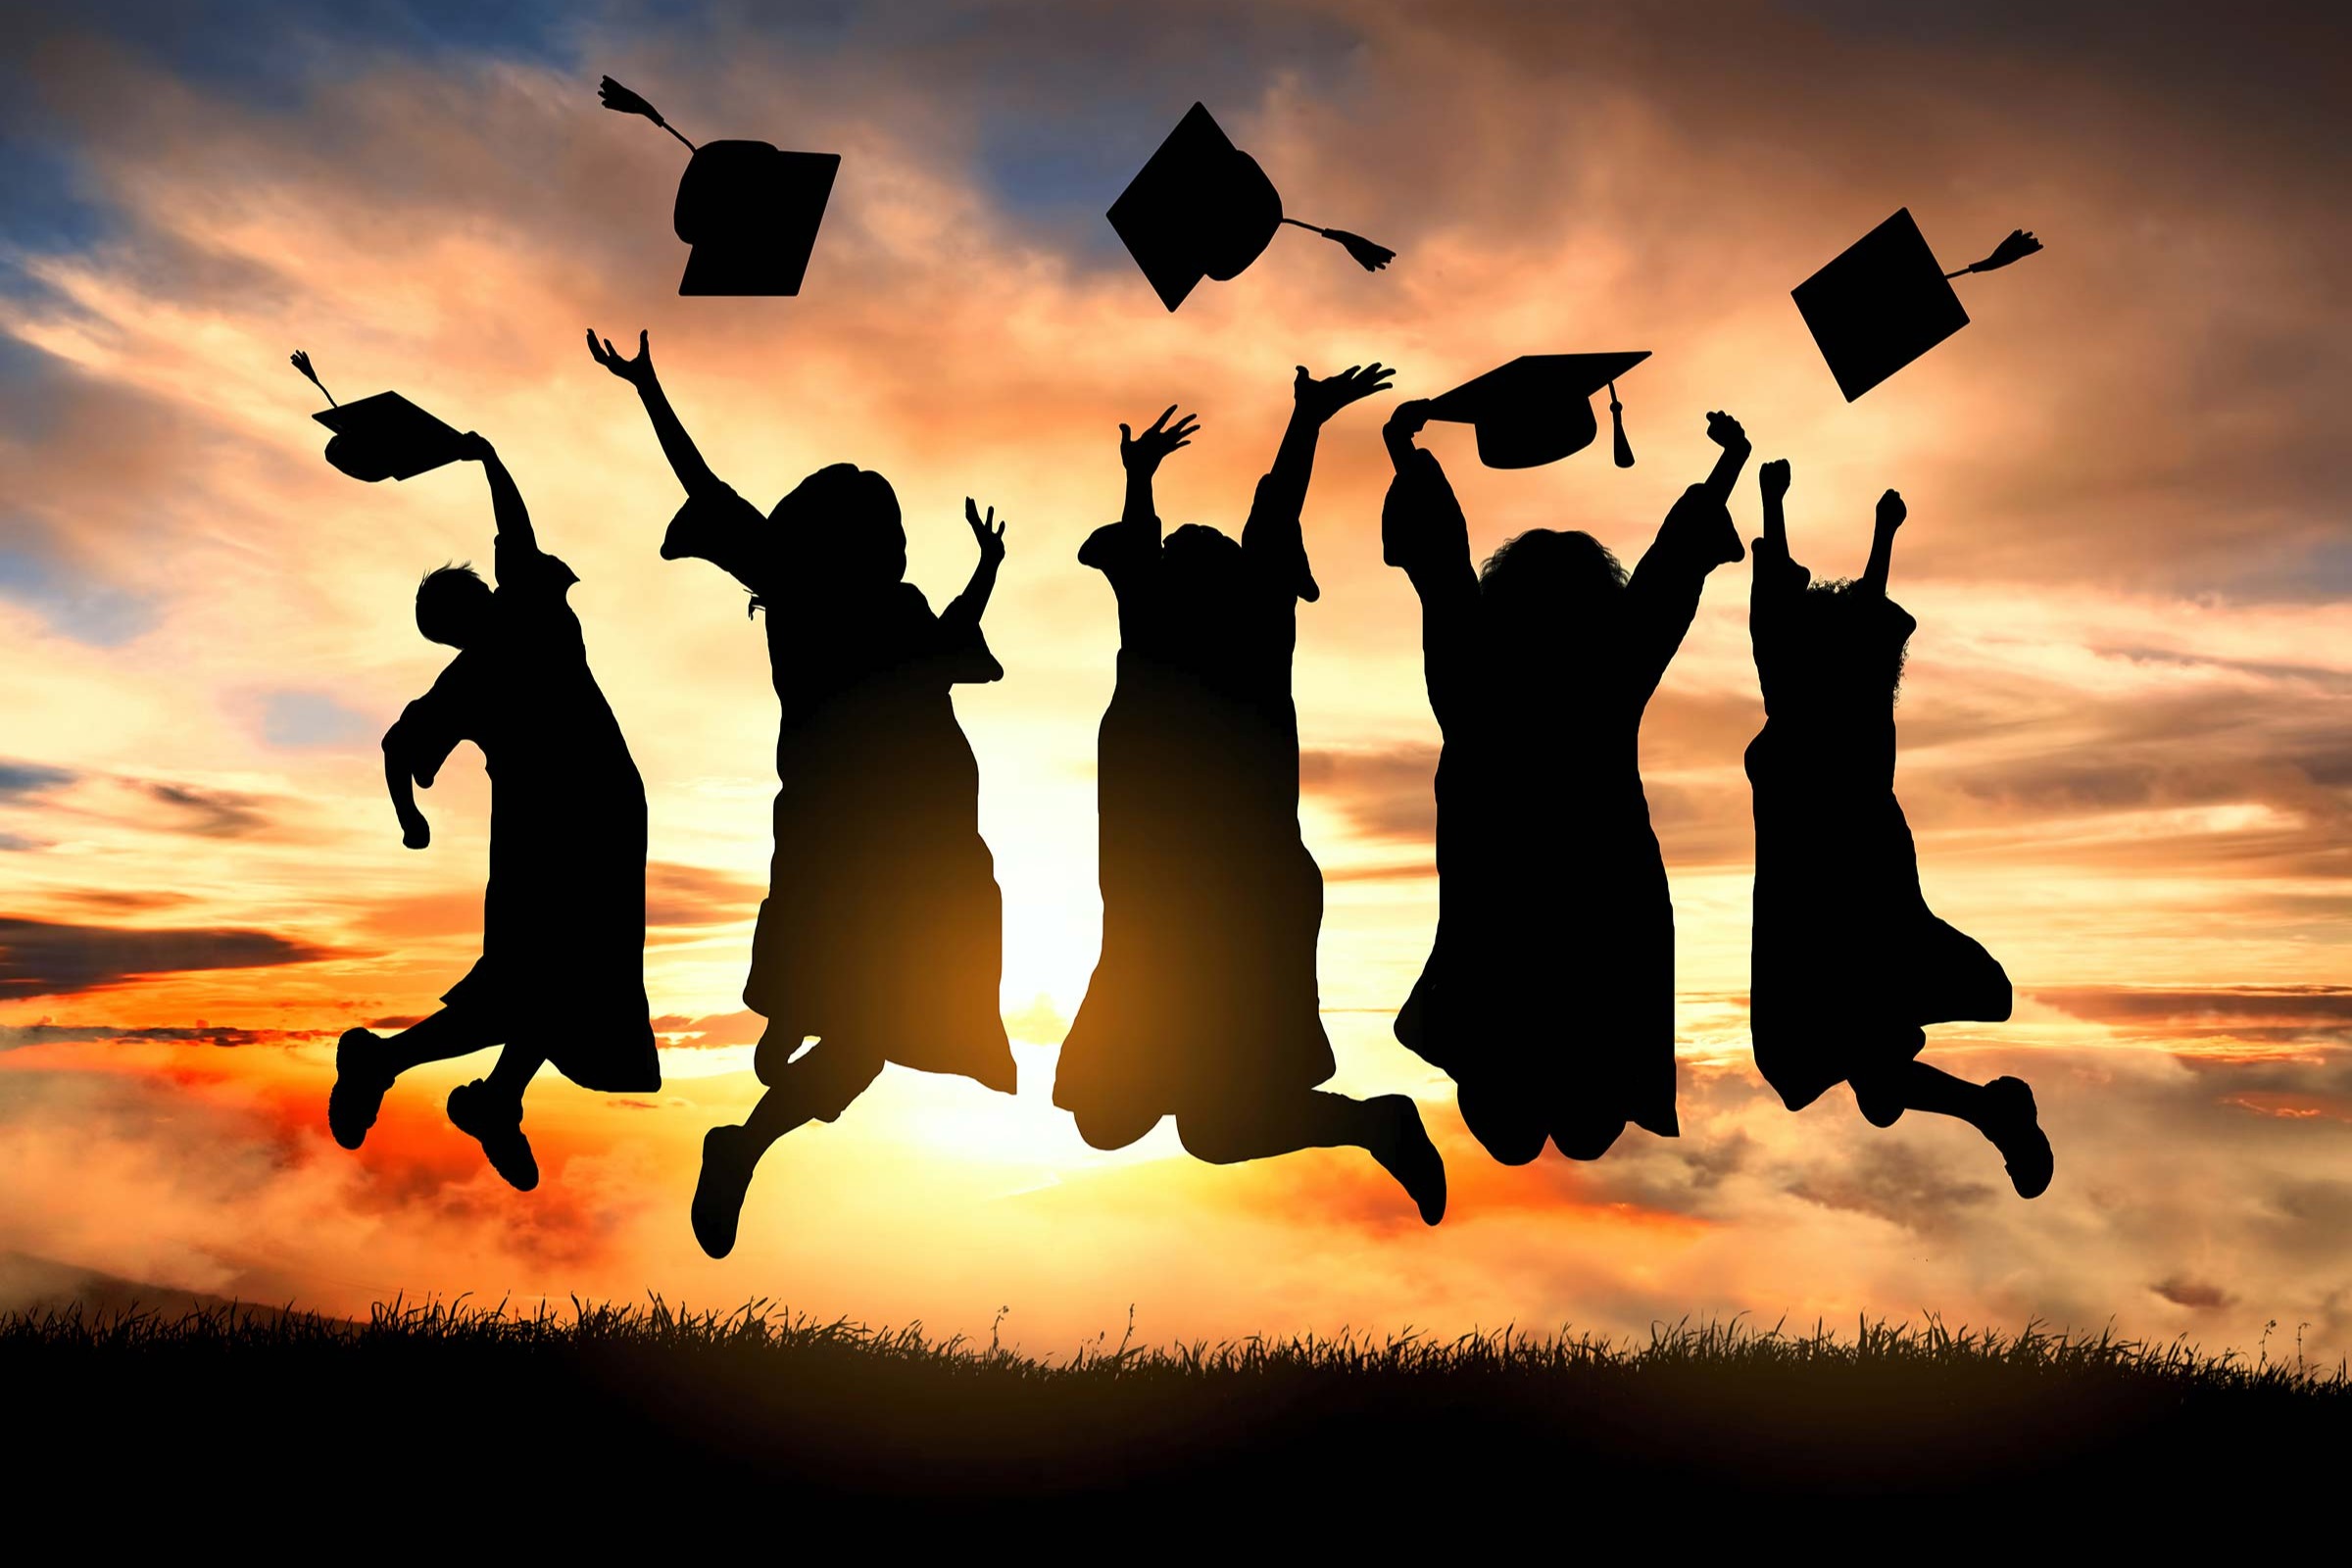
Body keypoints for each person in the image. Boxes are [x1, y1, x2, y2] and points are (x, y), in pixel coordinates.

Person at [585, 328, 1016, 1257]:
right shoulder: (825, 597)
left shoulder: (830, 600)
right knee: (864, 1045)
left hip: (881, 852)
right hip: (883, 860)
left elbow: (948, 638)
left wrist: (983, 572)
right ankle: (748, 1127)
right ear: (865, 539)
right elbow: (703, 487)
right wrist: (649, 386)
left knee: (862, 1042)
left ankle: (767, 1084)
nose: (896, 544)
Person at [1053, 368, 1446, 1224]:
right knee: (1124, 1119)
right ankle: (1371, 1124)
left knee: (1203, 1127)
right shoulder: (1215, 626)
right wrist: (1145, 479)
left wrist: (1155, 476)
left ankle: (1377, 1127)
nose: (1171, 551)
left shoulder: (1205, 631)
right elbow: (1269, 516)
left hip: (1232, 907)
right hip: (1174, 913)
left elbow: (1274, 514)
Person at [1381, 403, 1752, 1164]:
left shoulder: (1474, 666)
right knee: (1579, 1127)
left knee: (1521, 1129)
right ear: (1595, 600)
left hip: (1505, 916)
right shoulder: (1607, 666)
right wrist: (1728, 466)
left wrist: (1406, 456)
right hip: (1599, 911)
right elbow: (1668, 574)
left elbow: (1442, 568)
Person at [329, 432, 658, 1190]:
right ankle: (441, 1081)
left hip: (579, 828)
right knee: (545, 983)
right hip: (582, 826)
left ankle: (467, 1090)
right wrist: (486, 458)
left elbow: (394, 746)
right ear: (472, 604)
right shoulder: (524, 620)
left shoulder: (484, 658)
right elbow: (517, 531)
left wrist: (410, 816)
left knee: (554, 981)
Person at [1744, 458, 2051, 1197]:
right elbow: (1837, 609)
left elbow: (1785, 604)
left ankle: (1992, 1111)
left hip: (1819, 891)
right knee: (1872, 1082)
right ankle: (1991, 1112)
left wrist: (1775, 502)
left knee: (1841, 1067)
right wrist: (1874, 532)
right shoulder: (1844, 696)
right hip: (1845, 878)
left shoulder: (1802, 697)